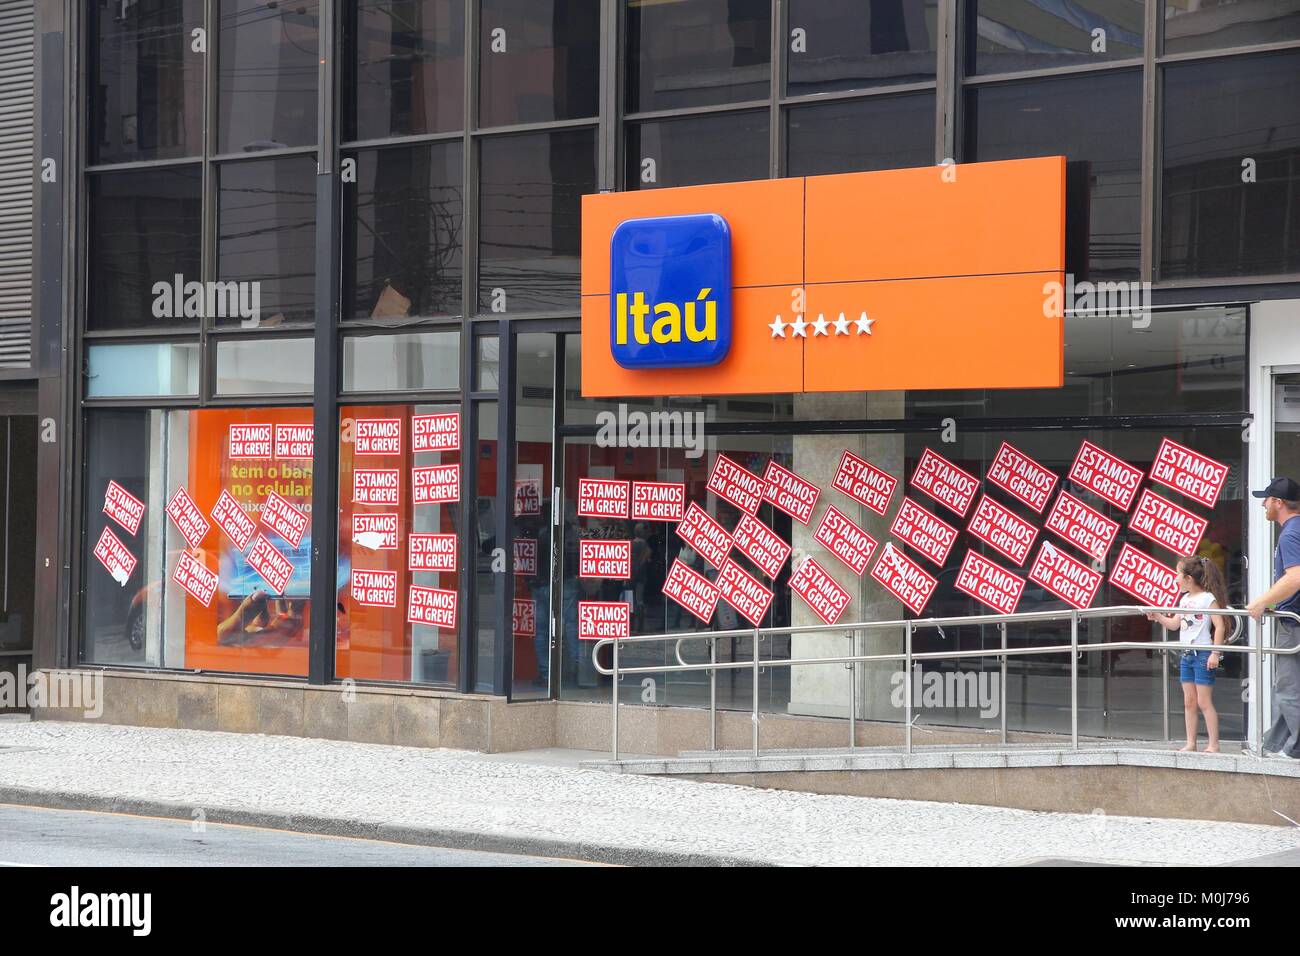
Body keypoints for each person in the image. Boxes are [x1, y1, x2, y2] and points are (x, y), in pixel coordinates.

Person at [1147, 556, 1228, 753]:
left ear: (1189, 578)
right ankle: (1191, 742)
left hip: (1202, 653)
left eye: (1178, 574)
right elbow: (1175, 624)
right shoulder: (1184, 600)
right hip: (1187, 654)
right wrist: (1158, 617)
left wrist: (1215, 653)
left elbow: (1219, 626)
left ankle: (1213, 744)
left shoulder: (1208, 599)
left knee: (1203, 701)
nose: (1176, 579)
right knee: (1189, 701)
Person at [1246, 477, 1300, 758]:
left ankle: (1294, 748)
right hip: (1292, 616)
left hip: (1295, 625)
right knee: (1289, 687)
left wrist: (1261, 602)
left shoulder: (1290, 533)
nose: (1263, 504)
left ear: (1278, 503)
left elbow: (1296, 577)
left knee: (1289, 689)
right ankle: (1278, 744)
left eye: (1266, 499)